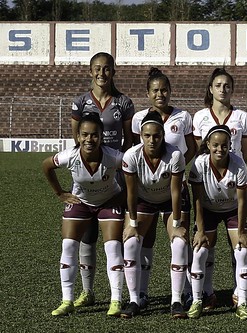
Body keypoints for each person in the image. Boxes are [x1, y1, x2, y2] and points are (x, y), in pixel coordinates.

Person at [43, 113, 125, 317]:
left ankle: (116, 300)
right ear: (78, 136)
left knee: (113, 246)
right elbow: (46, 165)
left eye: (95, 135)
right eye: (85, 135)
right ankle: (67, 300)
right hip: (81, 202)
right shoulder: (69, 156)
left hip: (109, 201)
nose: (90, 140)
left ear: (102, 136)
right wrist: (60, 193)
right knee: (69, 245)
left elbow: (133, 171)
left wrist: (124, 198)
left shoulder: (114, 156)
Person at [69, 52, 134, 308]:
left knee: (113, 236)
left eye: (106, 69)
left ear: (113, 72)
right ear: (90, 71)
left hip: (113, 176)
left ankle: (116, 295)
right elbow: (77, 141)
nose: (101, 73)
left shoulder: (123, 103)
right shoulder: (80, 102)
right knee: (87, 235)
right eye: (97, 69)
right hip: (88, 175)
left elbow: (129, 141)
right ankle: (87, 291)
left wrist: (120, 169)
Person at [131, 67, 197, 308]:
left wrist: (175, 169)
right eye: (155, 90)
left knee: (180, 239)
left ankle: (186, 291)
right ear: (148, 93)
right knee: (144, 242)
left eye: (164, 90)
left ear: (171, 92)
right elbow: (134, 151)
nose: (160, 94)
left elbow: (191, 148)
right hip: (147, 189)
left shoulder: (183, 116)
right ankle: (142, 293)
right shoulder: (139, 119)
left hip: (174, 186)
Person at [192, 68, 247, 308]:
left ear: (232, 89)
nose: (223, 89)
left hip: (233, 183)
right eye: (218, 85)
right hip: (209, 190)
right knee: (206, 245)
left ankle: (240, 293)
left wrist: (234, 172)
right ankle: (207, 293)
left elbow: (245, 152)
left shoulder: (242, 117)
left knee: (238, 245)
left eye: (227, 85)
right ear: (211, 89)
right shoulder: (200, 117)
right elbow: (199, 151)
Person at [121, 111, 187, 318]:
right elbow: (131, 193)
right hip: (143, 201)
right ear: (141, 135)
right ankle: (135, 299)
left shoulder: (175, 155)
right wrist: (132, 222)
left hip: (169, 200)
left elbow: (176, 191)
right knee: (131, 242)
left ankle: (176, 300)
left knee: (179, 242)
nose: (152, 140)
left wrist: (176, 223)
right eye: (147, 136)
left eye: (156, 136)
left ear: (163, 135)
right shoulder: (131, 156)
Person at [187, 125, 247, 320]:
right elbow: (196, 200)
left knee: (242, 250)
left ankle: (242, 301)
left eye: (224, 145)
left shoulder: (238, 164)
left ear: (230, 145)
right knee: (199, 251)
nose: (219, 149)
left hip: (233, 211)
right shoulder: (199, 164)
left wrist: (241, 231)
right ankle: (199, 299)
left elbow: (242, 201)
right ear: (207, 144)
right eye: (215, 145)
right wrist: (199, 230)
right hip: (207, 210)